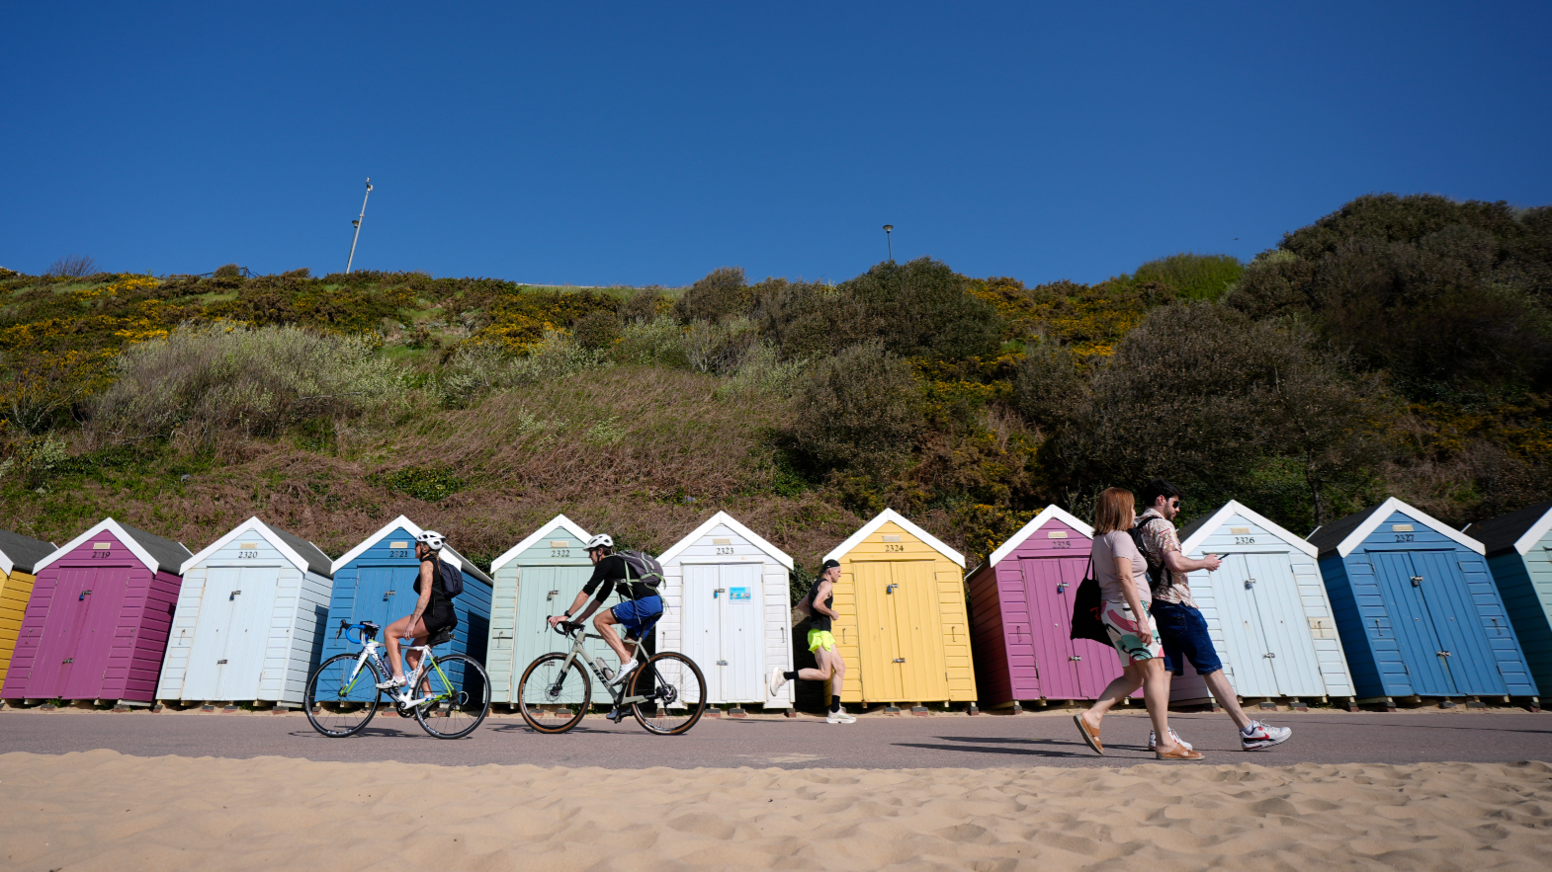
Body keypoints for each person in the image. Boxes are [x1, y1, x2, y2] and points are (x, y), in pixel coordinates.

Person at [1137, 479, 1291, 752]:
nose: (1178, 510)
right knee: (1210, 666)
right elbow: (1175, 563)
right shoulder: (1162, 525)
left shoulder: (1137, 526)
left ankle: (1159, 733)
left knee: (1166, 671)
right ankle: (1249, 730)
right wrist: (1205, 563)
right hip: (1177, 603)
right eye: (1176, 503)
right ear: (1161, 499)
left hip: (1156, 606)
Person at [1072, 487, 1203, 760]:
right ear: (1121, 510)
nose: (1135, 512)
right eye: (1131, 508)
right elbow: (1125, 577)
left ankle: (1093, 716)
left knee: (1134, 675)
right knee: (1155, 672)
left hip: (1113, 612)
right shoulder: (1120, 538)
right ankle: (1165, 742)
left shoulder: (1101, 539)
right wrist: (1142, 619)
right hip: (1129, 612)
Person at [547, 534, 663, 690]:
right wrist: (577, 621)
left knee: (599, 621)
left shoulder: (607, 563)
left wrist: (566, 615)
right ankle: (627, 704)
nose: (589, 556)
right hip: (656, 605)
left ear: (600, 551)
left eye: (591, 552)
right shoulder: (614, 567)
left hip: (644, 604)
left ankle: (626, 663)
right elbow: (598, 599)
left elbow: (586, 592)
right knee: (626, 651)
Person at [768, 559, 856, 724]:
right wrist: (830, 613)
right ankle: (784, 675)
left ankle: (835, 710)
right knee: (824, 673)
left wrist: (817, 616)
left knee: (840, 668)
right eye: (838, 571)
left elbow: (802, 605)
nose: (840, 574)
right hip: (820, 634)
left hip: (822, 633)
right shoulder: (827, 585)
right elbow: (816, 603)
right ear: (830, 571)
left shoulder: (817, 584)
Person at [376, 530, 458, 700]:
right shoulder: (440, 564)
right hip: (448, 615)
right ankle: (428, 695)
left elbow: (426, 594)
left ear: (425, 547)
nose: (415, 548)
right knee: (412, 656)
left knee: (390, 632)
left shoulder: (427, 564)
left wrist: (412, 623)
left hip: (435, 615)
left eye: (416, 544)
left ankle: (398, 677)